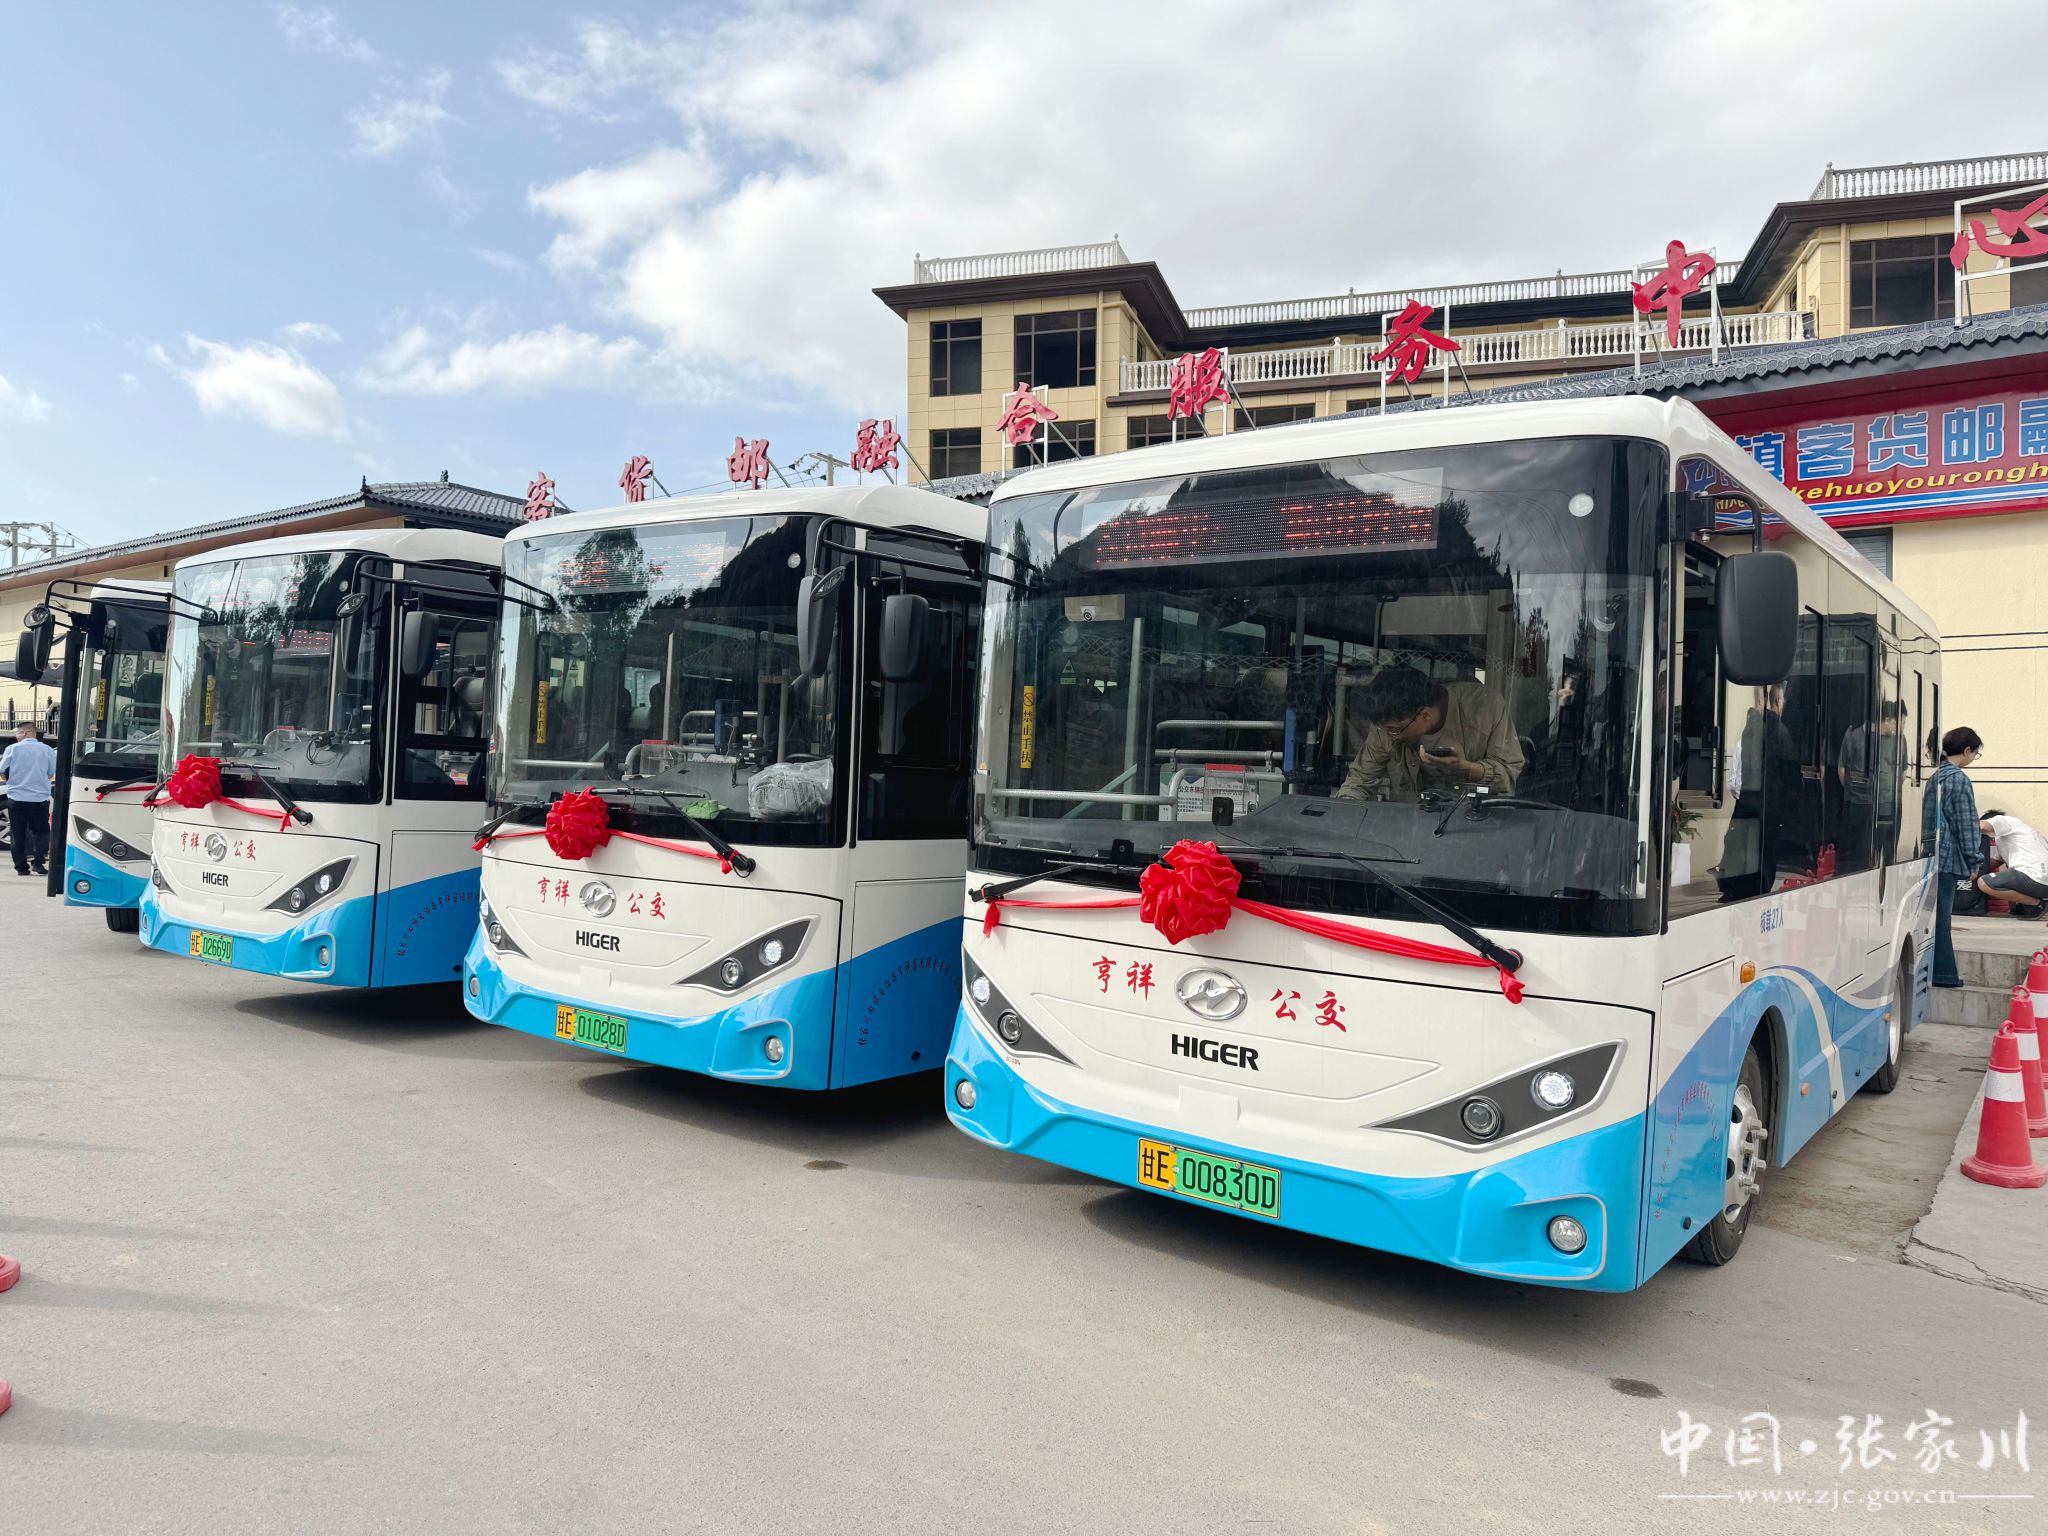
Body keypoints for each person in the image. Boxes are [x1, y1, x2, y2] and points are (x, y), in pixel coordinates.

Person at [1335, 666, 1523, 802]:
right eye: (1383, 730)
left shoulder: (1486, 708)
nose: (1389, 736)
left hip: (1480, 822)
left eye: (1394, 730)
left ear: (1425, 715)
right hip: (1415, 826)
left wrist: (1465, 767)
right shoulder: (1388, 724)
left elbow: (1509, 776)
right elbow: (1359, 780)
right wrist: (1346, 809)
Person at [1923, 726, 1983, 987]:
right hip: (1947, 857)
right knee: (1942, 919)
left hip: (1929, 854)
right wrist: (1974, 859)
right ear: (1967, 750)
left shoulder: (1935, 776)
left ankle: (1939, 971)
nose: (1974, 758)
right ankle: (1944, 974)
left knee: (1933, 917)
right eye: (1976, 753)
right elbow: (1966, 824)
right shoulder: (1958, 779)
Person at [0, 721, 59, 878]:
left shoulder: (12, 749)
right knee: (41, 831)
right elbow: (51, 773)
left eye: (17, 733)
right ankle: (38, 863)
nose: (16, 736)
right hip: (40, 798)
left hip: (17, 798)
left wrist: (9, 780)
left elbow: (1, 769)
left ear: (24, 733)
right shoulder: (47, 750)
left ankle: (21, 867)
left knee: (17, 833)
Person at [1977, 808, 2048, 921]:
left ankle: (2038, 904)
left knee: (1984, 883)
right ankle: (2028, 906)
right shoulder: (2014, 836)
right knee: (2006, 876)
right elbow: (1991, 864)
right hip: (2040, 881)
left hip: (2035, 876)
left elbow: (1982, 826)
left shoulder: (2004, 820)